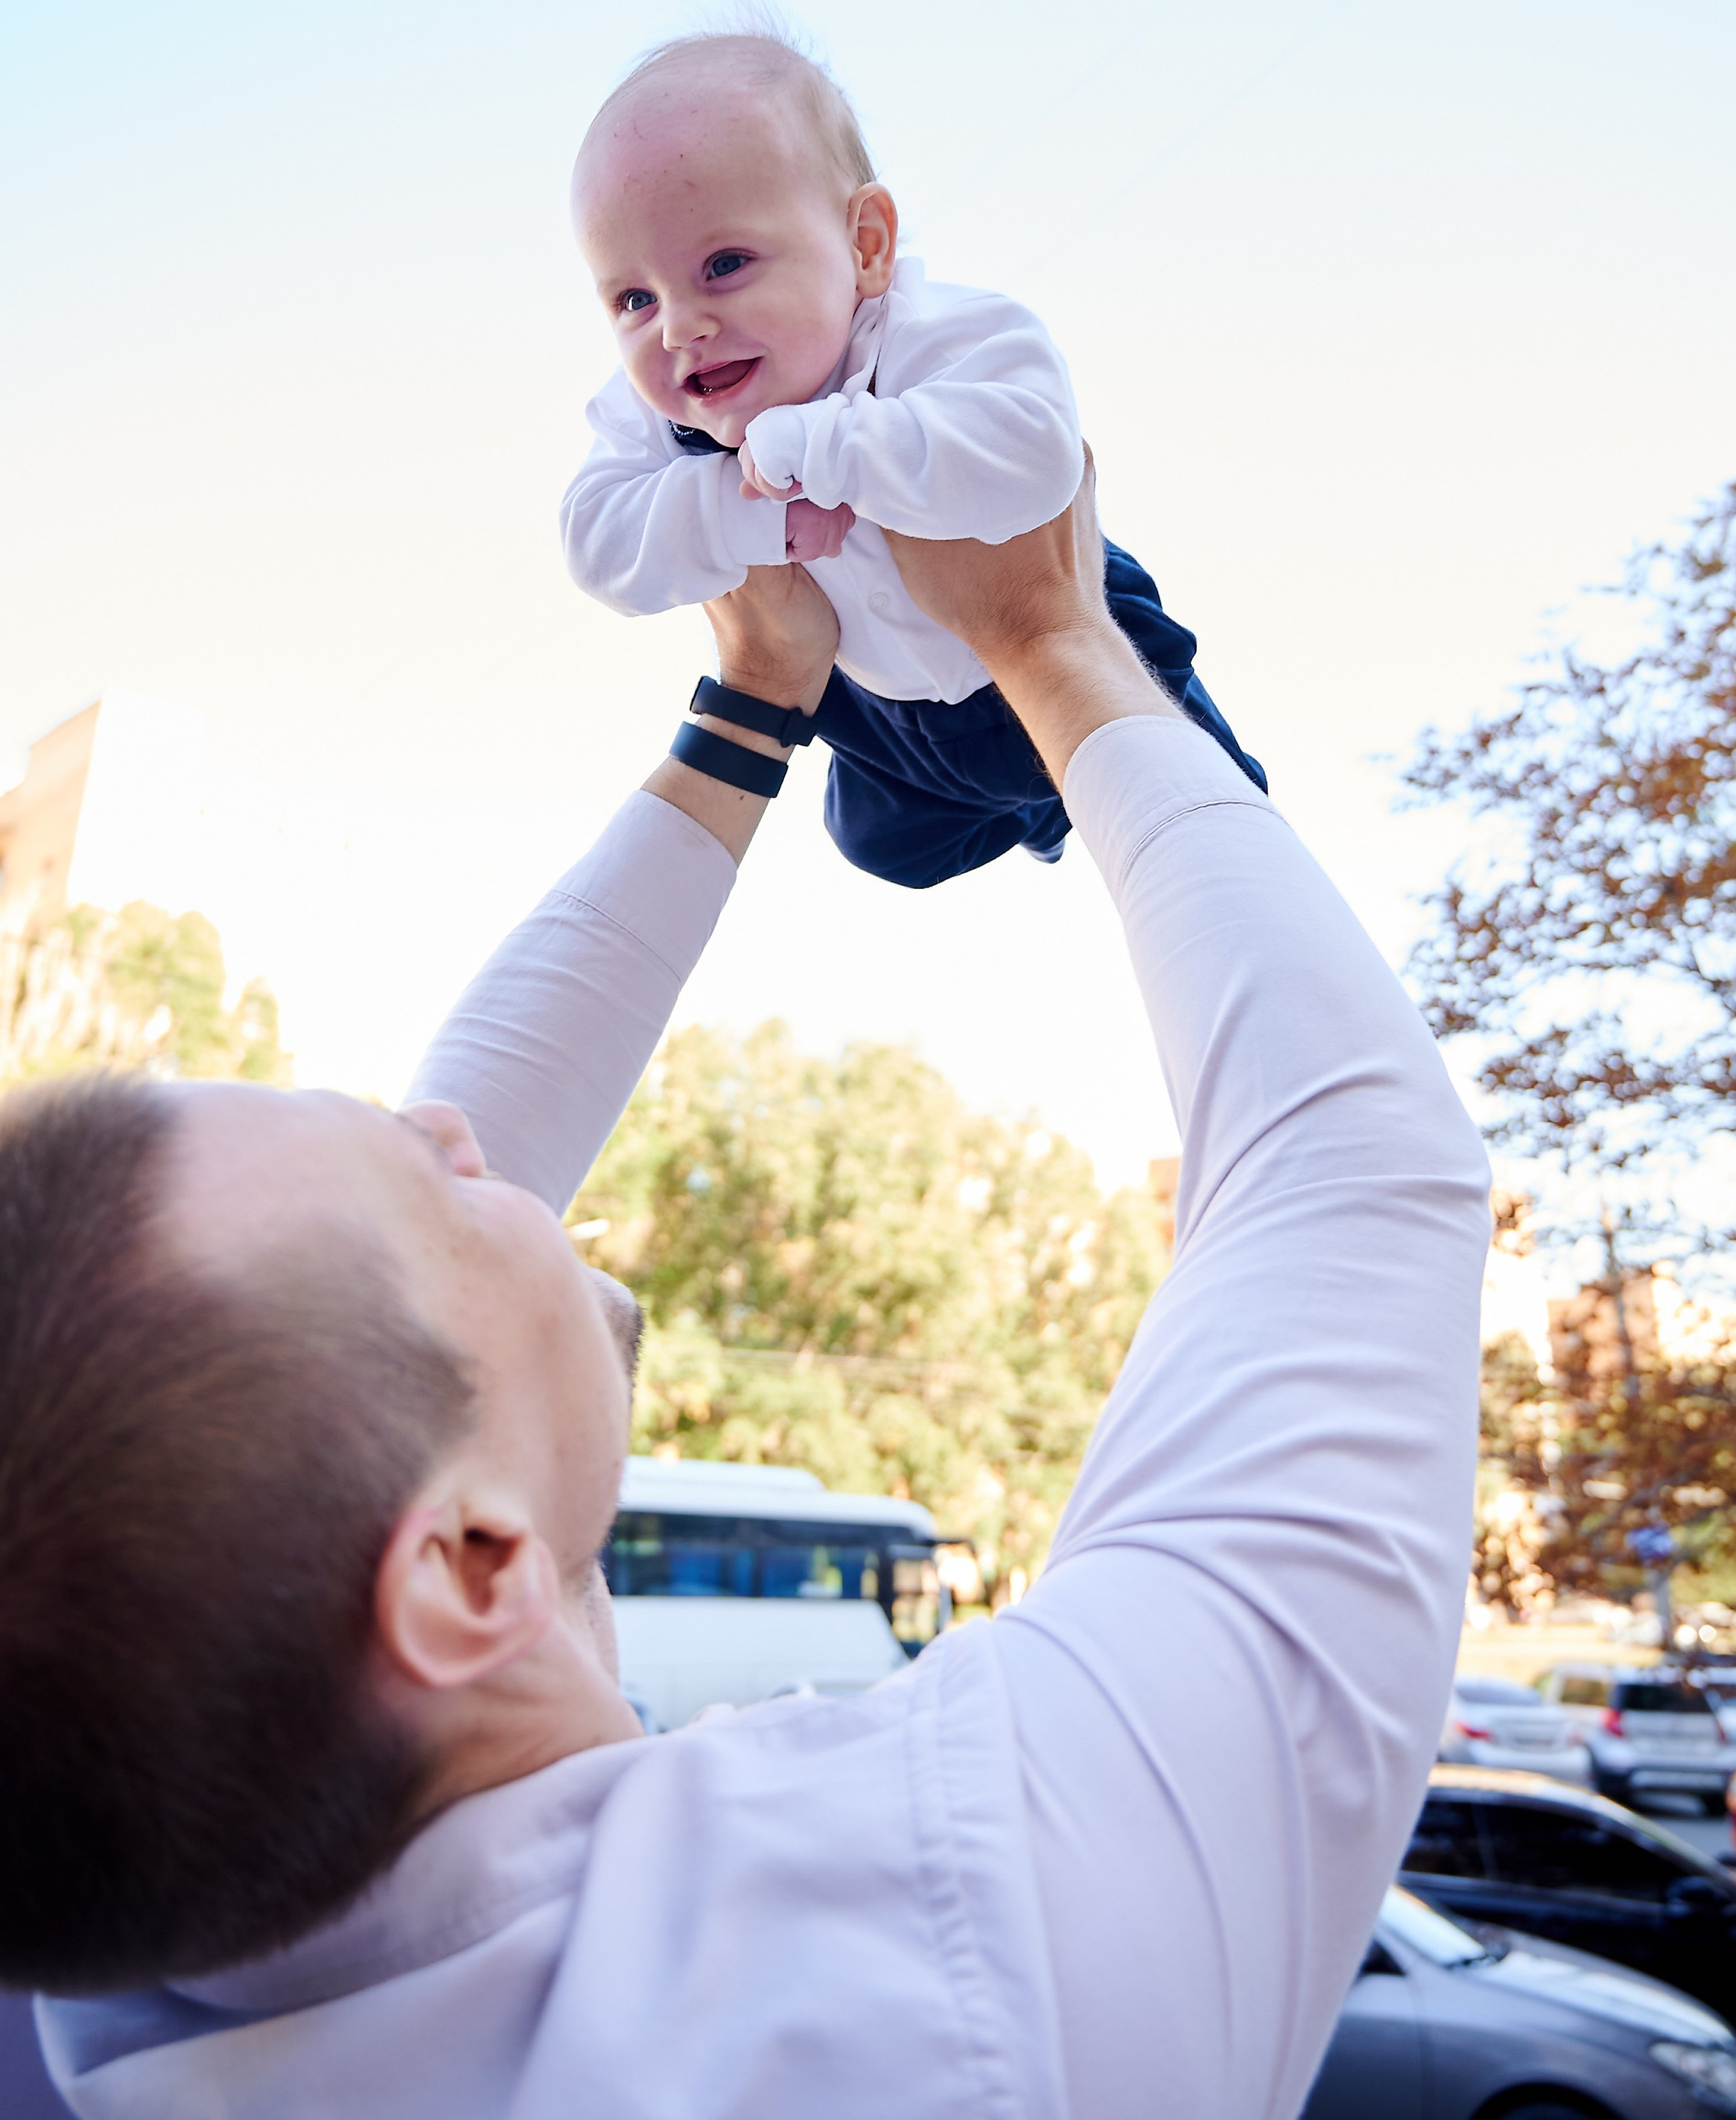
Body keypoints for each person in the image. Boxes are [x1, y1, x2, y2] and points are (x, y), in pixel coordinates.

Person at [4, 480, 1489, 2119]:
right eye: (422, 1177)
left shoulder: (115, 1922)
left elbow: (346, 1332)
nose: (450, 1127)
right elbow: (1351, 1168)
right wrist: (1049, 639)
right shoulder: (968, 1937)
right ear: (468, 1559)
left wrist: (752, 699)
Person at [560, 27, 1266, 887]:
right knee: (881, 845)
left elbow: (1038, 454)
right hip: (881, 713)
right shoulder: (654, 414)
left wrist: (816, 447)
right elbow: (596, 544)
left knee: (1209, 803)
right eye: (634, 297)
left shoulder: (935, 337)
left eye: (725, 264)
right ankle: (1042, 816)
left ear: (865, 245)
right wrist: (755, 509)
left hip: (1058, 635)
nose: (678, 327)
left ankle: (1117, 810)